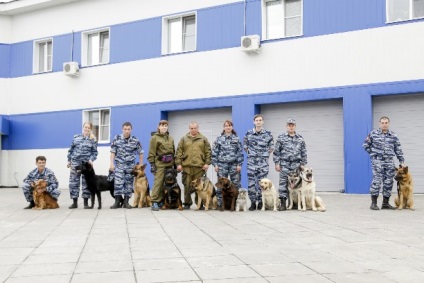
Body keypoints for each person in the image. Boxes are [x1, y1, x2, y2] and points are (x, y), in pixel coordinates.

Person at [363, 116, 405, 210]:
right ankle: (373, 203)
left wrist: (401, 161)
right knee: (377, 181)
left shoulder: (393, 136)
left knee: (389, 182)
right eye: (382, 123)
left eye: (386, 123)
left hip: (389, 161)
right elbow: (365, 145)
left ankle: (385, 203)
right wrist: (373, 154)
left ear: (388, 124)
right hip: (377, 161)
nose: (384, 124)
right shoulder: (373, 134)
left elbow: (398, 149)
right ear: (379, 124)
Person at [175, 121, 212, 210]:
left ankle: (199, 204)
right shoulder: (184, 139)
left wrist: (207, 163)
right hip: (187, 166)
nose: (193, 130)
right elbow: (179, 151)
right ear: (189, 129)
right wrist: (178, 164)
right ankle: (187, 203)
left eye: (195, 128)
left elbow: (208, 152)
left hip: (199, 167)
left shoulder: (203, 139)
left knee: (199, 186)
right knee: (187, 185)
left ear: (198, 128)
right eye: (191, 128)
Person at [273, 118, 307, 211]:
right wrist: (277, 163)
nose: (291, 127)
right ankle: (283, 203)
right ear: (286, 126)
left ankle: (294, 203)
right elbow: (276, 152)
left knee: (296, 183)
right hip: (284, 163)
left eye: (293, 125)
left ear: (295, 126)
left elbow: (304, 152)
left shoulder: (300, 138)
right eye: (289, 125)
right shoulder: (281, 137)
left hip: (296, 165)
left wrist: (303, 164)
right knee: (283, 183)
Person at [243, 114, 274, 211]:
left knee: (263, 183)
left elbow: (271, 147)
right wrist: (252, 154)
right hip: (252, 163)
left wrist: (263, 155)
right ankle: (252, 202)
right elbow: (245, 146)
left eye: (260, 120)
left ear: (263, 121)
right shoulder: (248, 133)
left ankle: (260, 202)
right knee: (251, 183)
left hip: (263, 164)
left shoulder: (268, 134)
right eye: (257, 120)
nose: (258, 122)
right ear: (254, 122)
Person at [109, 122, 144, 209]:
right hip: (119, 165)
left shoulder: (135, 140)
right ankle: (117, 202)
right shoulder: (117, 138)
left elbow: (140, 152)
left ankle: (126, 202)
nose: (127, 131)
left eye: (128, 129)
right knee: (118, 184)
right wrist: (111, 163)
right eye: (125, 129)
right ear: (122, 129)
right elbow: (113, 152)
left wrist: (141, 163)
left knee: (128, 184)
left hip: (130, 166)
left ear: (131, 129)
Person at [211, 120, 244, 210]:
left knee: (236, 185)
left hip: (234, 164)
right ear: (224, 128)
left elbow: (240, 152)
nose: (228, 127)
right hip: (222, 165)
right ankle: (220, 204)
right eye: (226, 126)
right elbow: (214, 152)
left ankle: (237, 205)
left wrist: (239, 164)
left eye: (229, 126)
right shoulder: (219, 139)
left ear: (232, 127)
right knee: (220, 185)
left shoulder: (236, 139)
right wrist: (215, 164)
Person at [66, 122, 98, 209]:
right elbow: (71, 150)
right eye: (85, 127)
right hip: (75, 163)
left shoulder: (93, 140)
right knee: (73, 183)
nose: (87, 129)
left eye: (88, 128)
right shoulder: (76, 137)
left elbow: (95, 152)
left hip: (86, 165)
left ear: (90, 129)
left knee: (86, 183)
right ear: (83, 127)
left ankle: (86, 203)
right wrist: (69, 160)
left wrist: (91, 159)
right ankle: (74, 202)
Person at [147, 120, 176, 211]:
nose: (164, 127)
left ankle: (162, 201)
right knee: (158, 183)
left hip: (169, 164)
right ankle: (155, 202)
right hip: (160, 164)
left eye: (166, 126)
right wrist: (152, 165)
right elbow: (151, 152)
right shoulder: (154, 138)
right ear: (159, 127)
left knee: (166, 184)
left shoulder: (170, 138)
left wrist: (174, 164)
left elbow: (173, 152)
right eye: (162, 125)